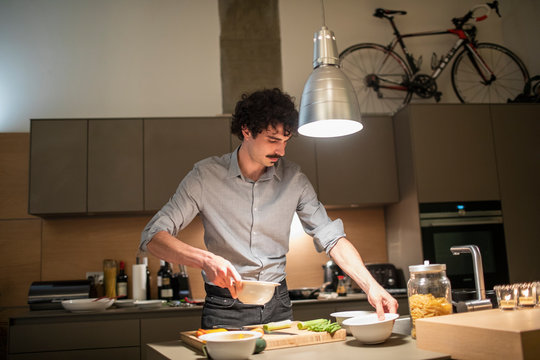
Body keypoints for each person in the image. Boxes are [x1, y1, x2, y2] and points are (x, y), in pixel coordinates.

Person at [140, 88, 398, 328]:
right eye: (273, 140)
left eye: (286, 140)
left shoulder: (294, 179)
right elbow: (153, 237)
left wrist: (371, 286)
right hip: (225, 307)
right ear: (246, 130)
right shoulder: (205, 177)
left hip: (279, 306)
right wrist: (205, 259)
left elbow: (332, 238)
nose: (281, 151)